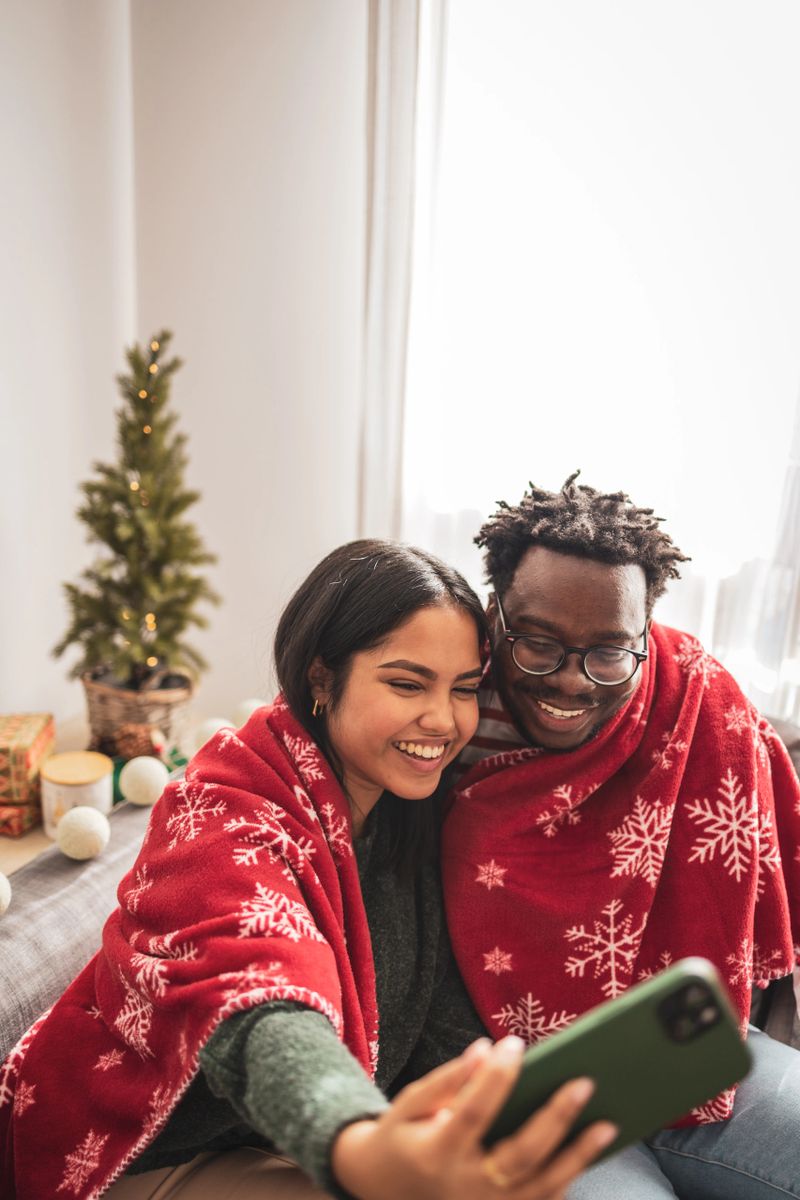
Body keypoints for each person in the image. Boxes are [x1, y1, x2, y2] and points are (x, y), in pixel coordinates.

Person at [0, 540, 616, 1200]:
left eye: (464, 688)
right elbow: (260, 999)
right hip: (139, 1154)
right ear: (322, 678)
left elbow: (436, 1003)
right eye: (407, 683)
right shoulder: (217, 812)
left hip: (280, 1143)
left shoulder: (410, 803)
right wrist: (359, 1139)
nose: (443, 720)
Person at [442, 474, 800, 1199]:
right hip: (514, 1090)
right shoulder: (438, 710)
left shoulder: (698, 698)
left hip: (685, 1054)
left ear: (646, 634)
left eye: (609, 651)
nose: (571, 682)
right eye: (537, 644)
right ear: (494, 617)